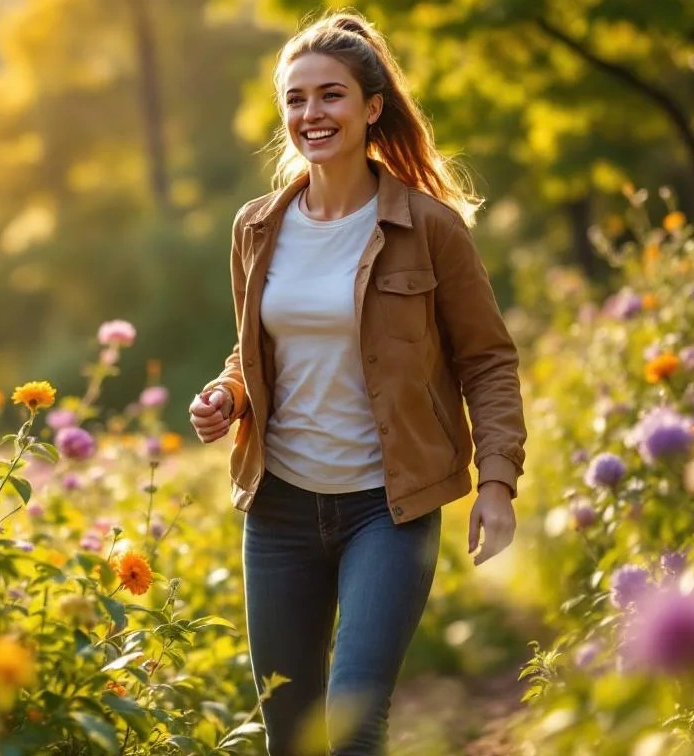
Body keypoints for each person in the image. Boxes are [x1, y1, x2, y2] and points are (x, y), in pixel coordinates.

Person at [187, 11, 528, 755]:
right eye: (297, 98)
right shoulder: (255, 227)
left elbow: (487, 360)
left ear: (372, 107)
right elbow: (255, 351)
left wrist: (497, 481)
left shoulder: (430, 227)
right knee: (290, 732)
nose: (311, 114)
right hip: (277, 509)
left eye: (331, 95)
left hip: (388, 508)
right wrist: (229, 395)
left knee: (349, 728)